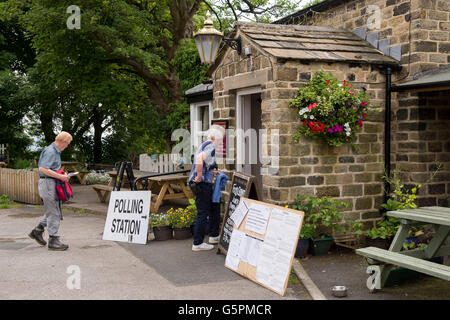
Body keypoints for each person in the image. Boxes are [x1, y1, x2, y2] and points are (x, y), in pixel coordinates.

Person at [28, 132, 72, 251]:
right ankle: (53, 240)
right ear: (62, 141)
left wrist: (61, 175)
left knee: (54, 210)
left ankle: (38, 230)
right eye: (67, 143)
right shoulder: (51, 151)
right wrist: (61, 177)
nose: (67, 146)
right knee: (53, 212)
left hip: (50, 183)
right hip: (48, 184)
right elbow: (42, 168)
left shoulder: (54, 151)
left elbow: (51, 169)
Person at [189, 125, 225, 251]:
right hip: (202, 184)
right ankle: (197, 243)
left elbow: (203, 163)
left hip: (202, 183)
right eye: (221, 139)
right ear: (215, 138)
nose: (221, 142)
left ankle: (213, 236)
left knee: (211, 209)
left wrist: (210, 173)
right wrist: (199, 176)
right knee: (203, 213)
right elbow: (199, 159)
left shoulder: (203, 144)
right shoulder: (211, 146)